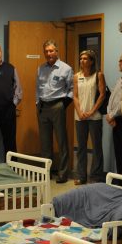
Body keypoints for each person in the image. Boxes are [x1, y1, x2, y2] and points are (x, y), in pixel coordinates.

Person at [36, 40, 73, 183]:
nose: (49, 54)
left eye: (51, 51)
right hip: (43, 107)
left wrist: (63, 104)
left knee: (61, 141)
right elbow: (37, 88)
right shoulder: (40, 68)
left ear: (57, 52)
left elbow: (71, 89)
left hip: (58, 105)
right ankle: (46, 173)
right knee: (45, 144)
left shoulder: (66, 69)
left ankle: (63, 174)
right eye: (46, 51)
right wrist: (37, 103)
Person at [72, 49, 105, 185]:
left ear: (91, 61)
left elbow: (102, 94)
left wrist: (91, 111)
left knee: (96, 147)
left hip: (94, 116)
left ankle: (96, 176)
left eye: (85, 58)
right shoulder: (76, 76)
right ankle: (81, 176)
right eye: (81, 58)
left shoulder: (98, 75)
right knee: (81, 147)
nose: (82, 61)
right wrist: (79, 111)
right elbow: (75, 95)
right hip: (80, 117)